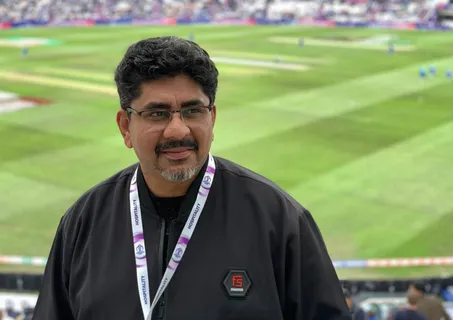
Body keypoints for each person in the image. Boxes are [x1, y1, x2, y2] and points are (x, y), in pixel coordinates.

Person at [32, 36, 351, 320]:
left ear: (212, 118)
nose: (178, 130)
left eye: (192, 110)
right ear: (125, 127)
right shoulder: (84, 221)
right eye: (157, 113)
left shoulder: (279, 221)